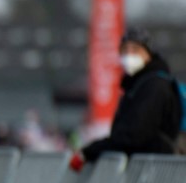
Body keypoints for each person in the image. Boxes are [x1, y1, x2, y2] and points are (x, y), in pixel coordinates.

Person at [69, 28, 183, 171]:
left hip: (154, 170)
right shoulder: (137, 85)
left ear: (148, 54)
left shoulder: (154, 86)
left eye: (135, 50)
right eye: (125, 50)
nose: (129, 55)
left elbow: (132, 135)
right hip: (147, 170)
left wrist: (89, 152)